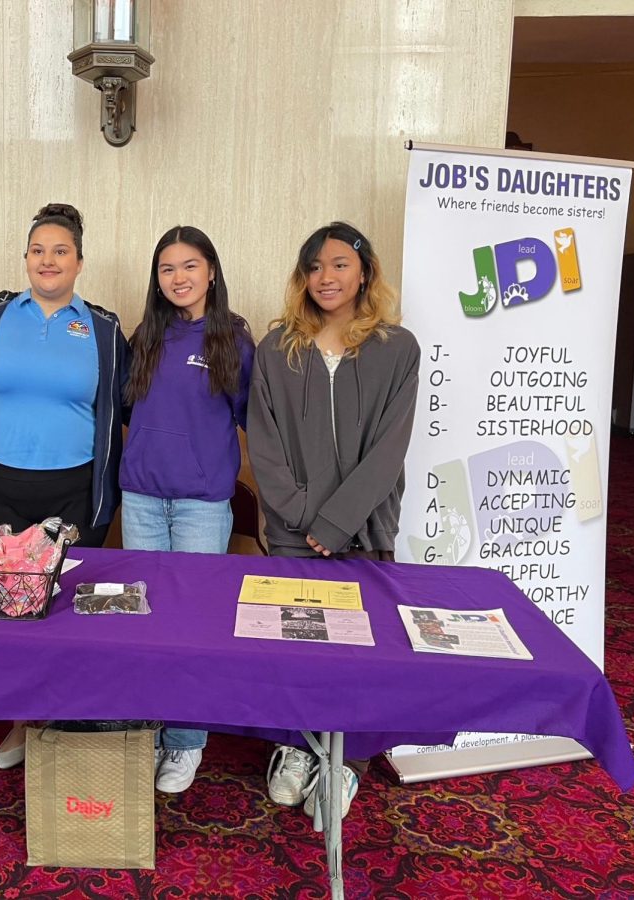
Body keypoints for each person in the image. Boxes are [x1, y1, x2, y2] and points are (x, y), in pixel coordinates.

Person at [247, 221, 420, 818]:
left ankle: (344, 762)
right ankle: (297, 750)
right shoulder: (276, 352)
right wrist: (301, 521)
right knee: (295, 645)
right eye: (315, 266)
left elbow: (389, 449)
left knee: (360, 651)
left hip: (366, 531)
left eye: (340, 264)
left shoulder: (397, 348)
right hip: (296, 535)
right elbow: (264, 447)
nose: (327, 277)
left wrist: (340, 522)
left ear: (364, 272)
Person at [0, 202, 130, 768]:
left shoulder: (102, 328)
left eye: (60, 251)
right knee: (12, 617)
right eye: (37, 250)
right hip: (0, 485)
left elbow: (122, 410)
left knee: (69, 613)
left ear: (80, 261)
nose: (47, 260)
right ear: (25, 258)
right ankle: (24, 722)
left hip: (74, 489)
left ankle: (69, 723)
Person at [119, 225, 254, 793]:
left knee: (192, 627)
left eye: (190, 266)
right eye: (167, 269)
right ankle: (147, 731)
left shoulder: (233, 339)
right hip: (143, 500)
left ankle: (185, 743)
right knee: (145, 626)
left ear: (212, 271)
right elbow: (128, 414)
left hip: (201, 506)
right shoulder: (145, 337)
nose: (179, 278)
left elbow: (255, 422)